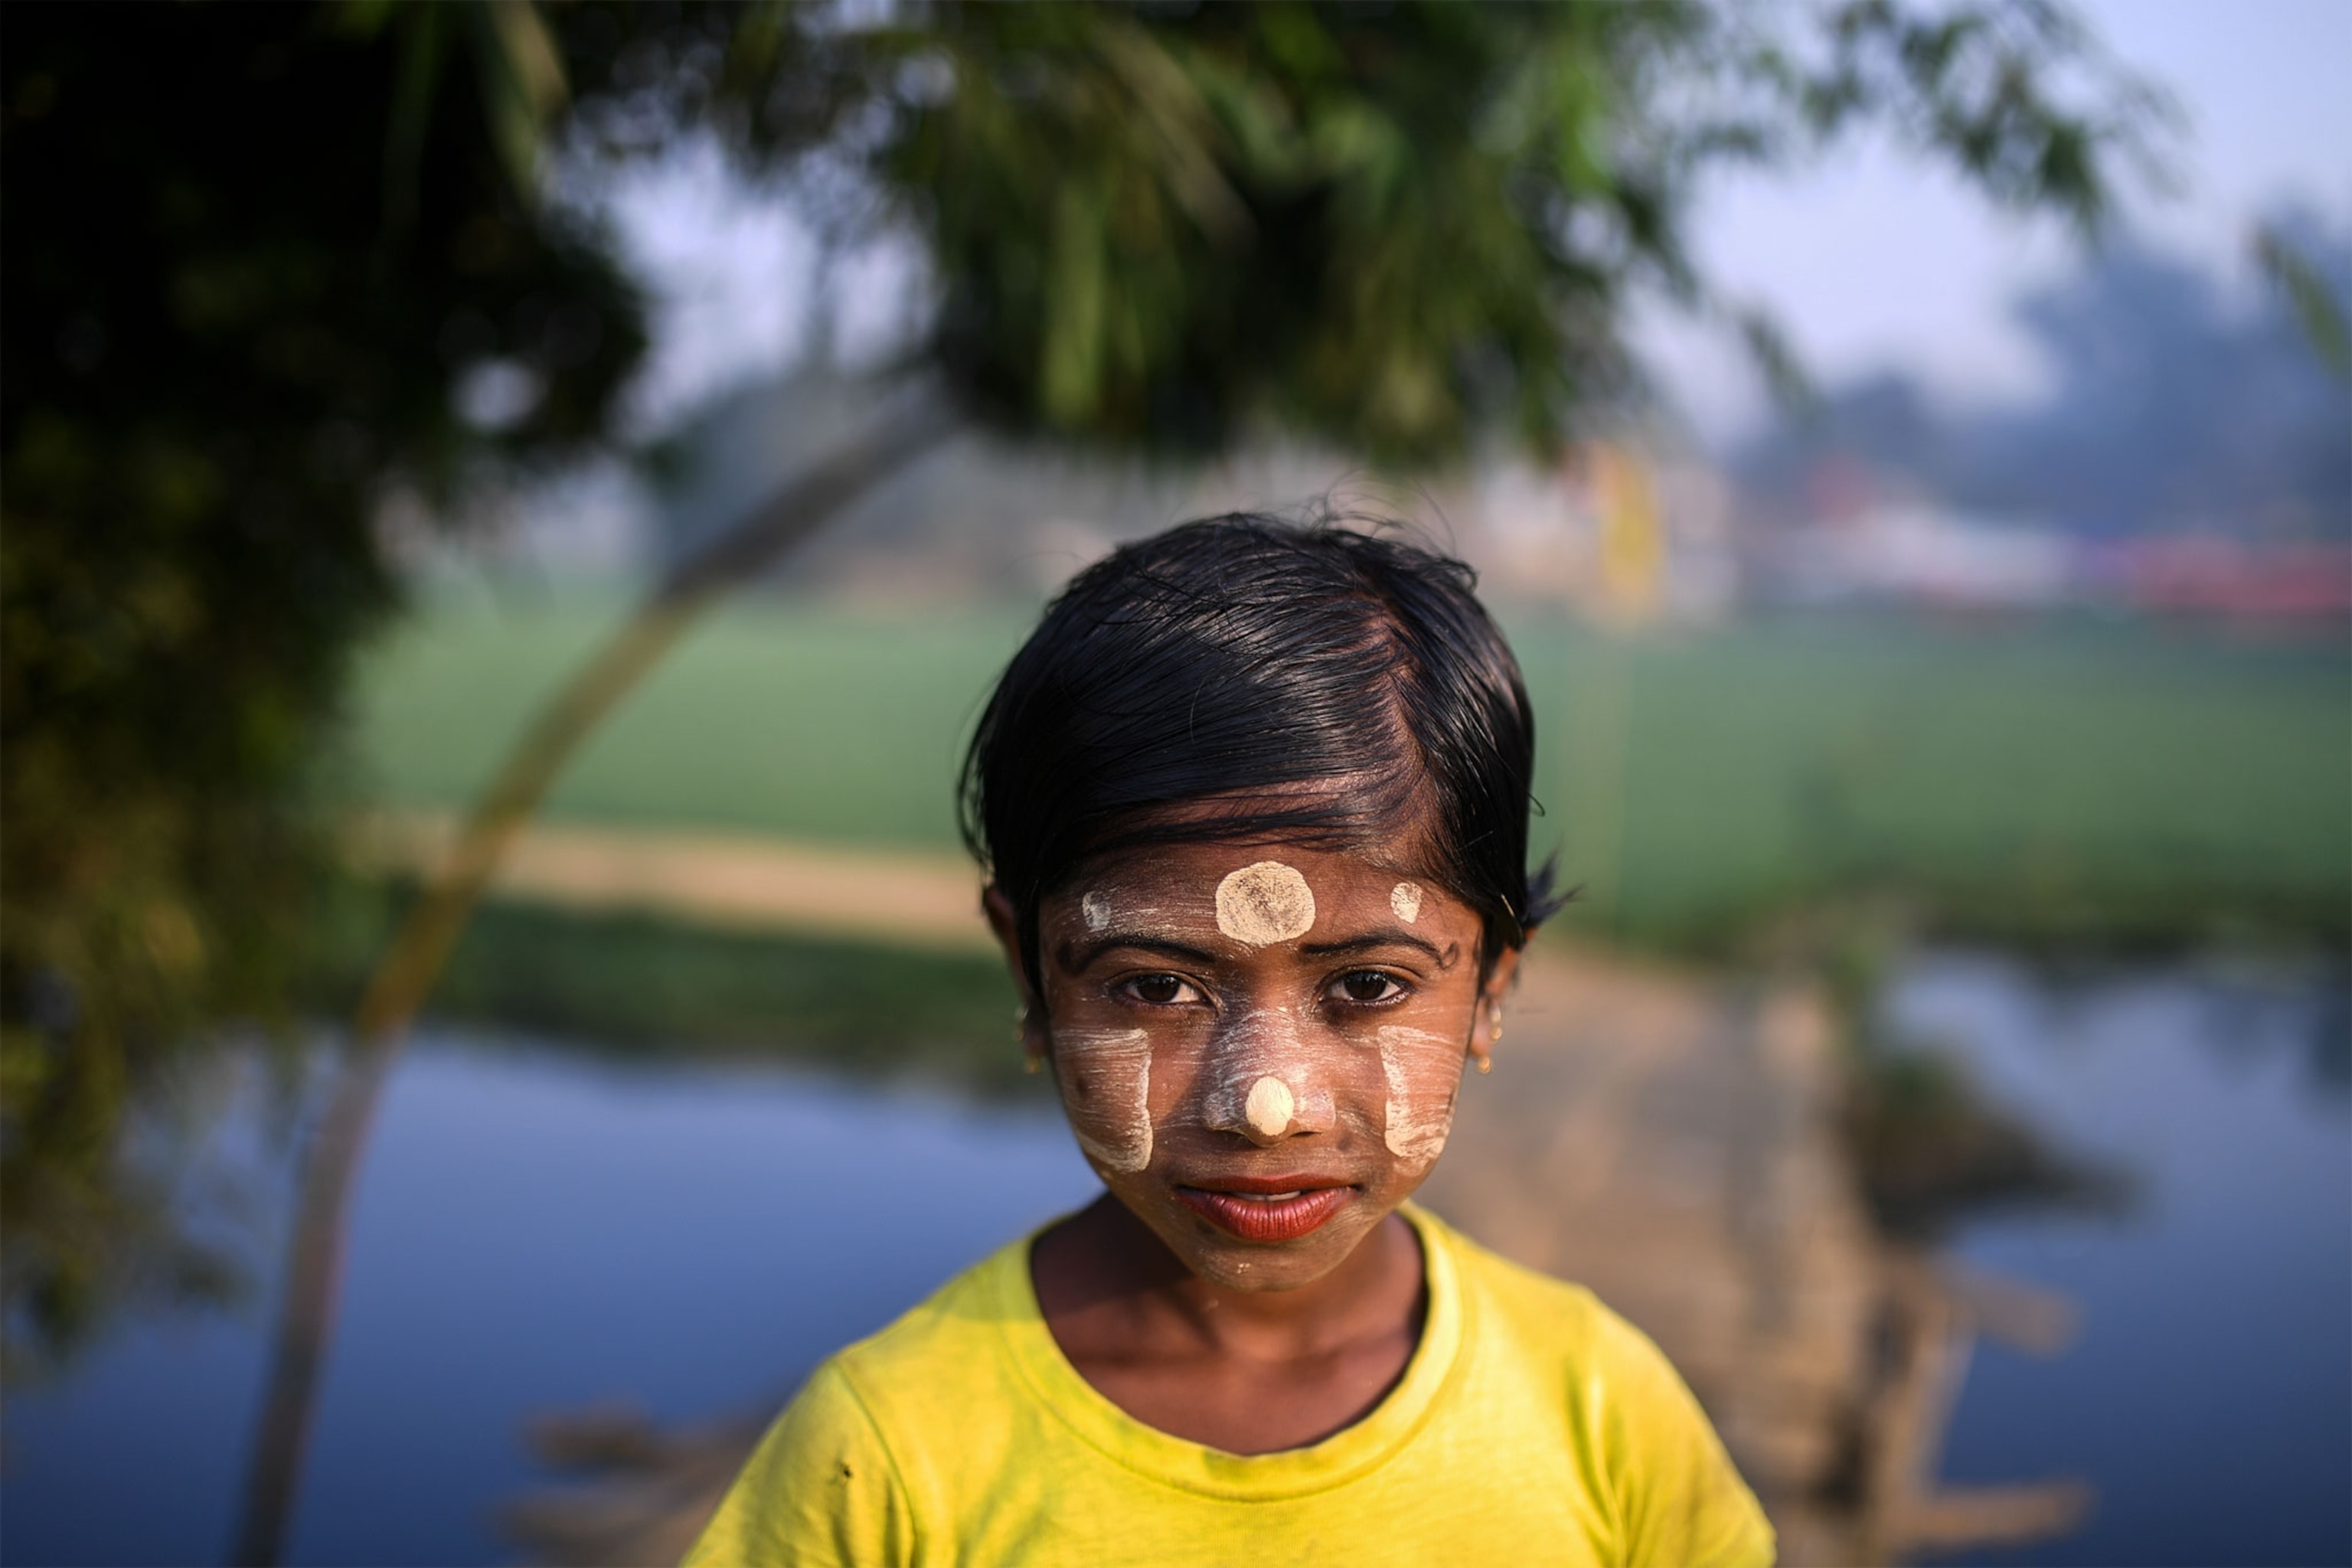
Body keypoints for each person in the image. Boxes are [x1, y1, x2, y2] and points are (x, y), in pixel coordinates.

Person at [686, 514, 1774, 1566]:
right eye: (1156, 985)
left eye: (1366, 984)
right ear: (1030, 973)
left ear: (1491, 985)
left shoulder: (1608, 1421)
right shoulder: (884, 1461)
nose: (1264, 1102)